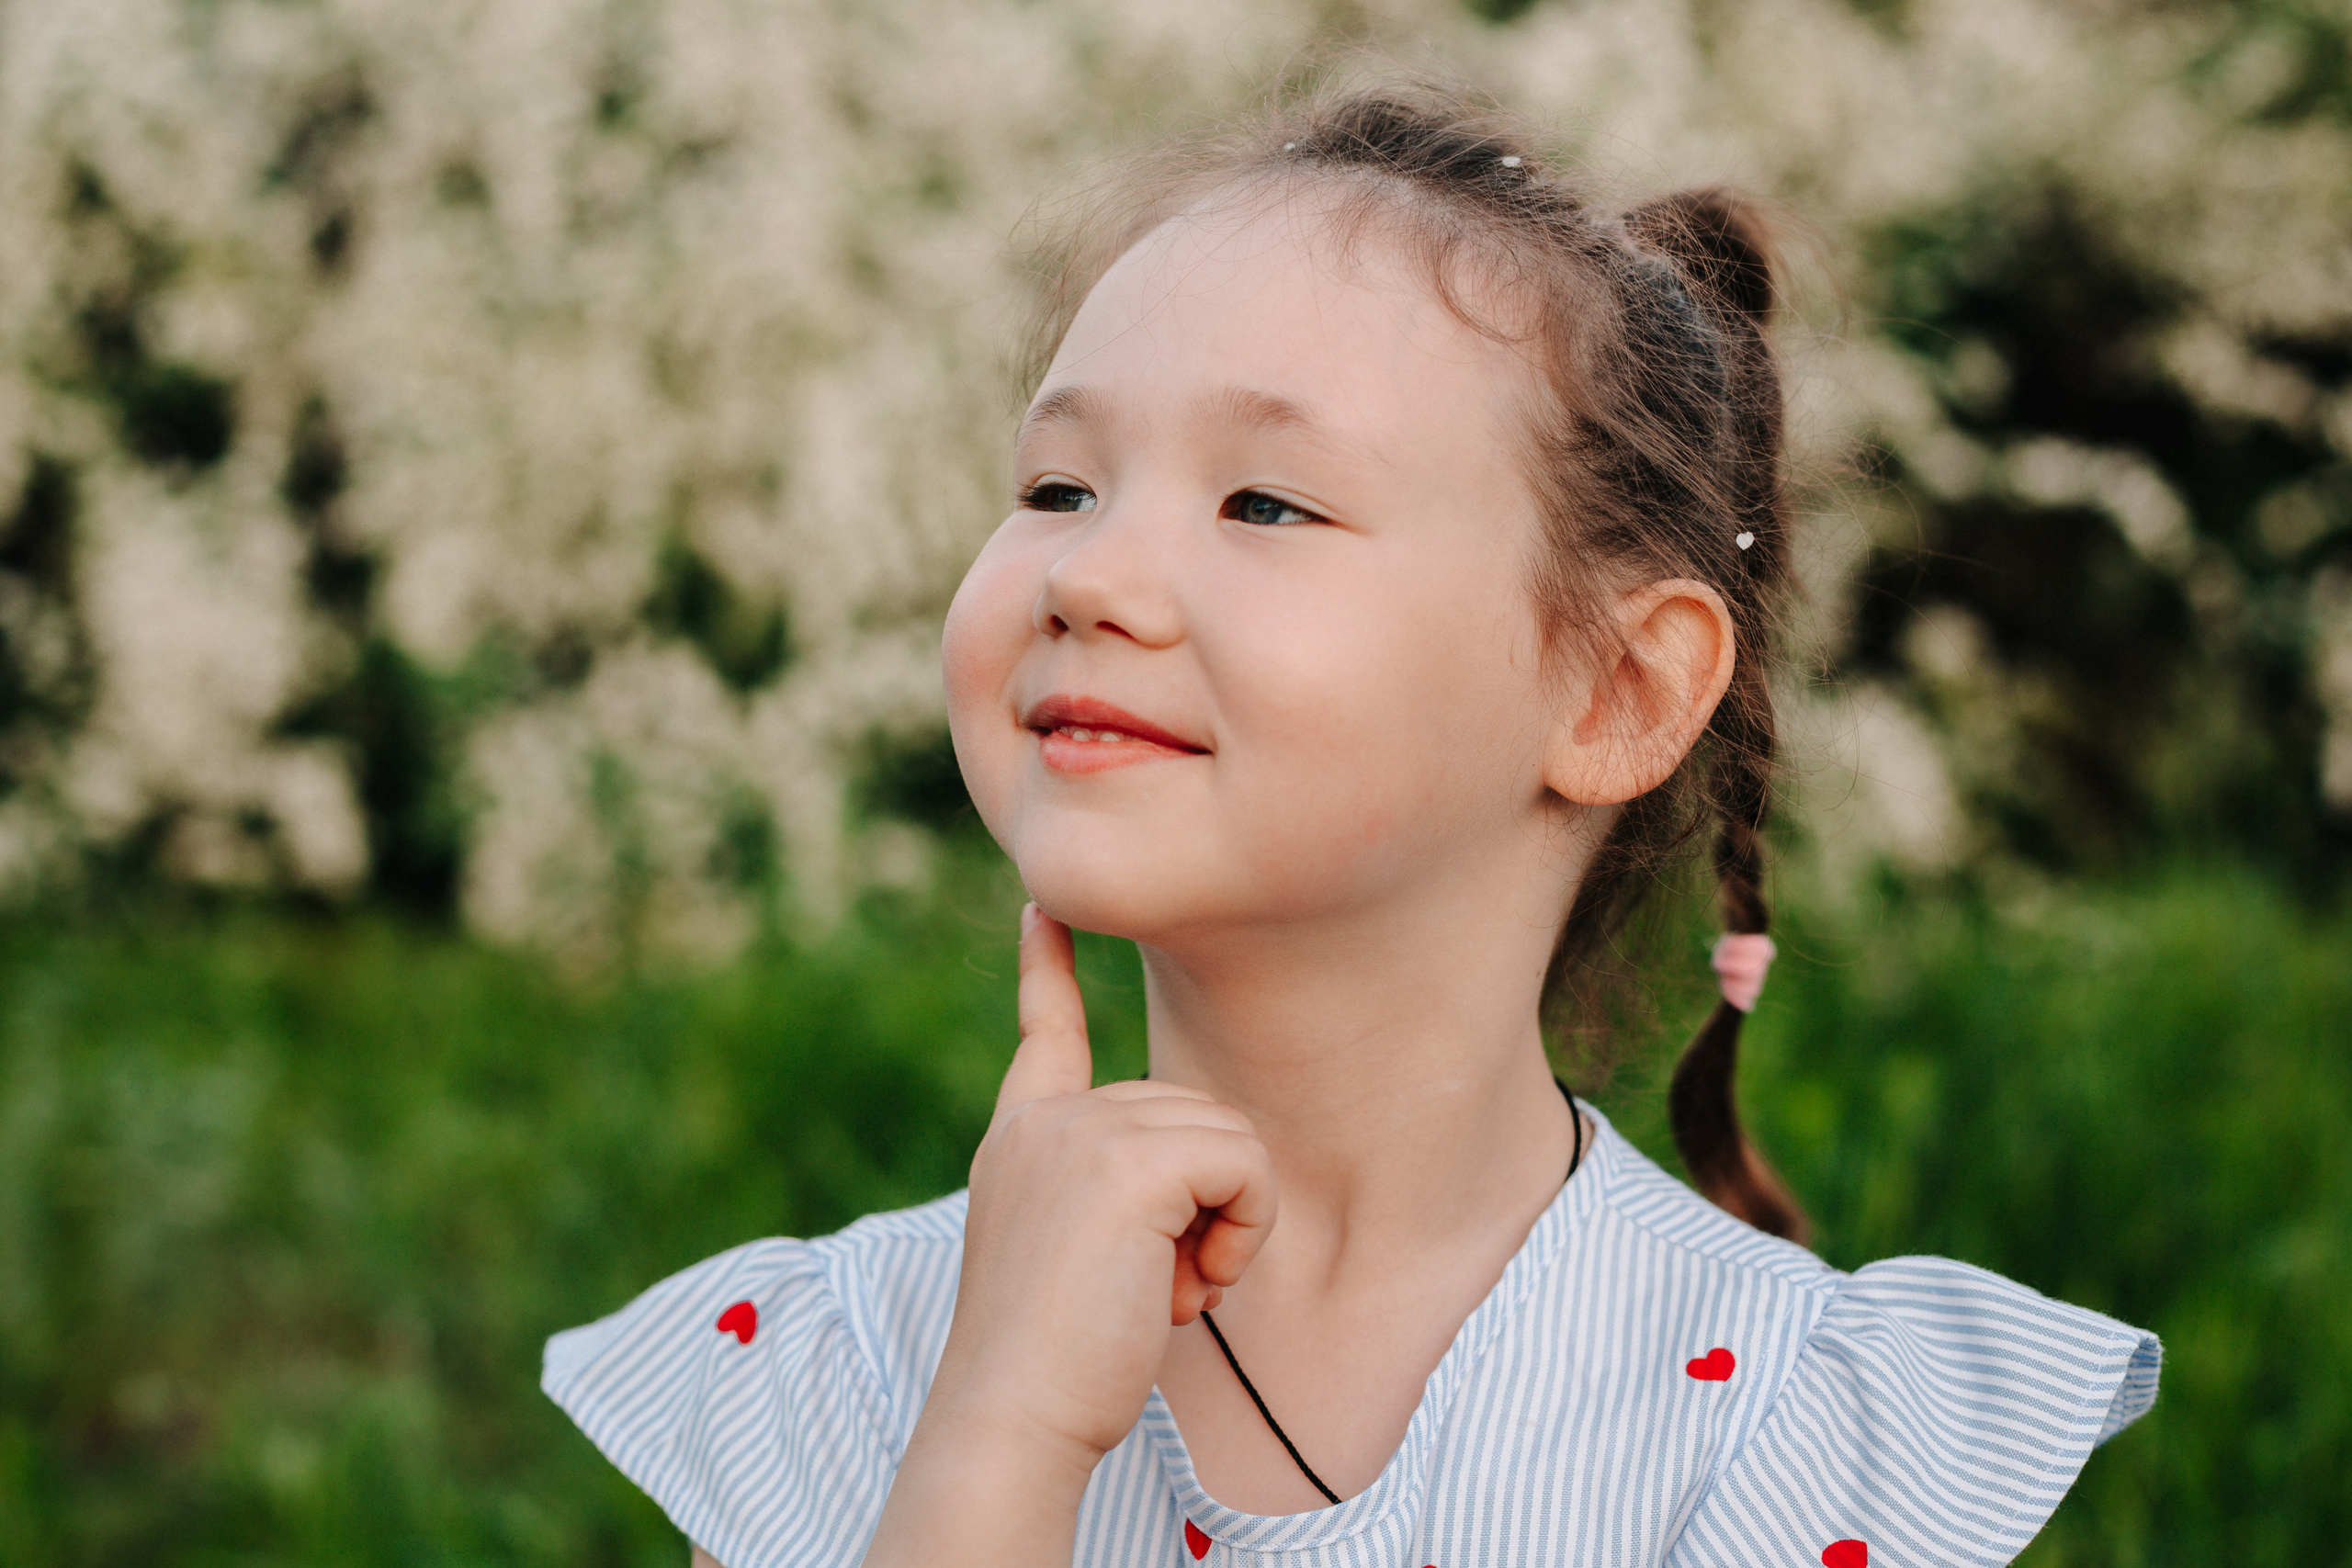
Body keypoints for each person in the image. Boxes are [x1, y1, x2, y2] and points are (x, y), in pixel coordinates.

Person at [542, 82, 2160, 1568]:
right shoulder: (847, 1373)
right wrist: (1000, 1432)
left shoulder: (1795, 1435)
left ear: (1616, 692)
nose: (1089, 575)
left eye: (1265, 502)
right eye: (1057, 488)